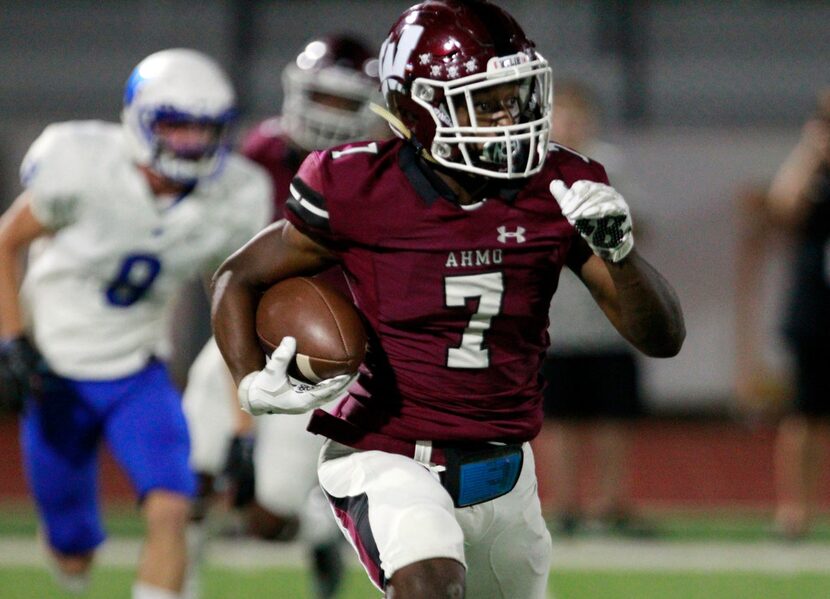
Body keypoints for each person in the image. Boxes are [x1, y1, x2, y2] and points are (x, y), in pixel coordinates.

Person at [211, 1, 685, 597]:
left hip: (505, 467)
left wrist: (620, 256)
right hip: (386, 452)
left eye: (515, 95)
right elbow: (237, 275)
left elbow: (662, 339)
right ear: (420, 108)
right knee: (430, 586)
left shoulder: (559, 184)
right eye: (487, 101)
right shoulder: (358, 184)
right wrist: (248, 380)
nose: (510, 115)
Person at [0, 48, 272, 598]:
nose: (191, 142)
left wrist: (245, 431)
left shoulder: (234, 195)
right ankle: (72, 560)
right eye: (176, 124)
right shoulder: (80, 162)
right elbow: (4, 242)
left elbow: (231, 315)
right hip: (54, 372)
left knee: (172, 508)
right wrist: (11, 339)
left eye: (204, 128)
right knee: (72, 553)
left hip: (139, 373)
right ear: (140, 119)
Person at [181, 34, 382, 599]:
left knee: (267, 520)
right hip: (244, 333)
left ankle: (320, 530)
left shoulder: (381, 171)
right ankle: (175, 584)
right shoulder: (259, 153)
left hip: (322, 356)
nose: (330, 112)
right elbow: (227, 271)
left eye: (346, 101)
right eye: (322, 96)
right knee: (188, 477)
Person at [531, 79, 646, 535]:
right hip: (552, 321)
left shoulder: (608, 164)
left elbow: (639, 229)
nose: (571, 123)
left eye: (579, 114)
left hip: (608, 319)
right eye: (563, 114)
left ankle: (613, 503)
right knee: (557, 419)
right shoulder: (533, 168)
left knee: (612, 418)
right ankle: (563, 506)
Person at [735, 88, 830, 539]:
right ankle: (795, 510)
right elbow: (781, 210)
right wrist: (811, 149)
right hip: (818, 308)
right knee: (806, 414)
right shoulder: (815, 170)